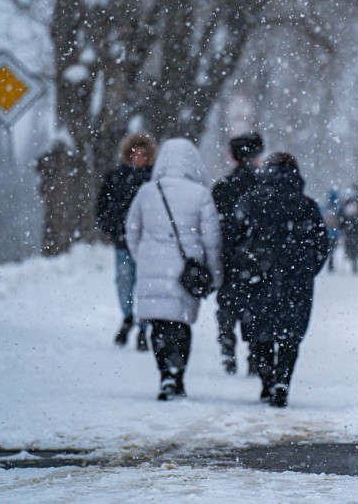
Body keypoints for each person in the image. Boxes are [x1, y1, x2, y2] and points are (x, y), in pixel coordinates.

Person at [227, 153, 328, 407]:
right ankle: (283, 380)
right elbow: (321, 245)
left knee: (261, 332)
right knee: (290, 335)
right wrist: (306, 270)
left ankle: (266, 381)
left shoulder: (250, 201)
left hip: (257, 277)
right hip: (296, 279)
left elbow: (232, 239)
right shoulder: (306, 206)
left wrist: (240, 268)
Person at [125, 138, 221, 401]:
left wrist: (142, 257)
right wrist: (214, 272)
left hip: (152, 267)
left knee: (158, 326)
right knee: (180, 325)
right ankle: (177, 375)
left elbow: (131, 230)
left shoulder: (147, 192)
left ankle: (165, 373)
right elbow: (211, 239)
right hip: (185, 272)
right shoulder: (200, 194)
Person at [96, 132, 157, 351]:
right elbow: (103, 207)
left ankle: (143, 325)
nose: (138, 157)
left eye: (142, 154)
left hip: (146, 244)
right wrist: (113, 228)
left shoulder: (154, 179)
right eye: (134, 153)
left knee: (144, 285)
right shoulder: (116, 178)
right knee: (124, 281)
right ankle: (127, 317)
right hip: (122, 241)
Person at [211, 132, 263, 375]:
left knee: (227, 307)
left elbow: (213, 225)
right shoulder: (263, 186)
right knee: (255, 306)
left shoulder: (223, 187)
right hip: (256, 259)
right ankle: (254, 355)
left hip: (228, 257)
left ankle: (227, 351)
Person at [323, 189, 342, 272]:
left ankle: (330, 263)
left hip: (327, 234)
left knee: (329, 250)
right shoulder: (338, 209)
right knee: (332, 250)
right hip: (335, 234)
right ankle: (331, 263)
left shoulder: (325, 208)